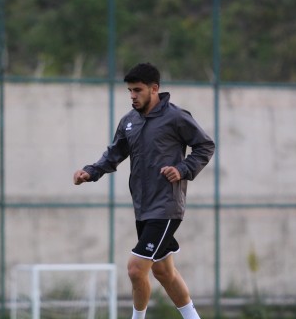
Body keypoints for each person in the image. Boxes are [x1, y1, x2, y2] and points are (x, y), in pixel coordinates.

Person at [73, 62, 215, 319]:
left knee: (136, 269)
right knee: (163, 272)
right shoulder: (129, 122)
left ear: (154, 89)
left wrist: (182, 169)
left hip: (167, 207)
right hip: (143, 207)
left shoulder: (176, 117)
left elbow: (205, 146)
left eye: (138, 90)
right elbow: (114, 154)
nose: (133, 96)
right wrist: (90, 172)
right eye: (130, 91)